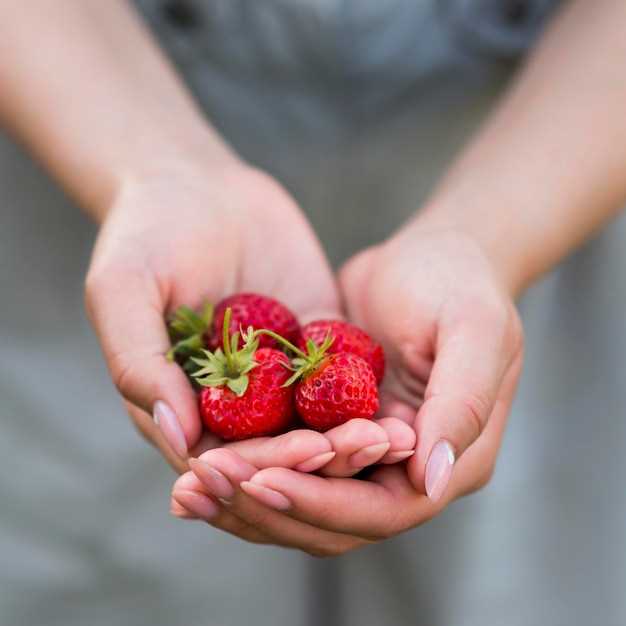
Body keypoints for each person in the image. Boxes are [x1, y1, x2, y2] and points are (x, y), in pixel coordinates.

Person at [1, 1, 625, 625]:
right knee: (116, 578)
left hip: (548, 154)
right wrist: (155, 172)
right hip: (81, 111)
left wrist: (484, 241)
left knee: (505, 581)